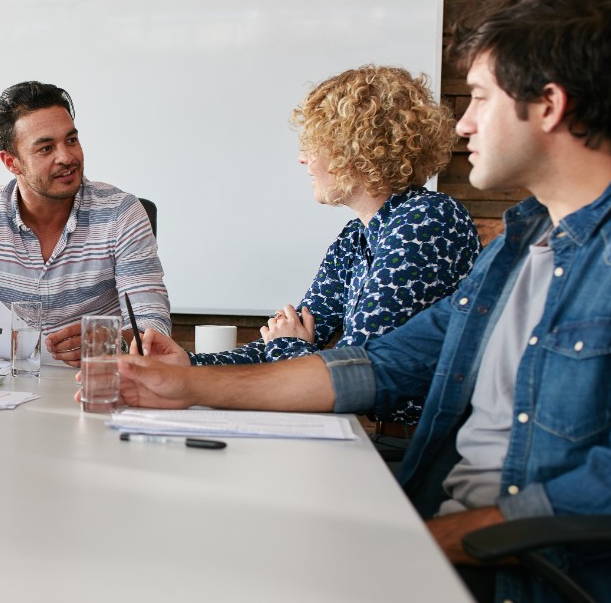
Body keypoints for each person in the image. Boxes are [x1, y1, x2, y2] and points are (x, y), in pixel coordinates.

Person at [114, 0, 611, 602]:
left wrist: (421, 541)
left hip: (524, 573)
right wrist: (188, 379)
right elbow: (382, 364)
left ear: (548, 106)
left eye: (479, 98)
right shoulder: (517, 248)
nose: (462, 123)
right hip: (449, 525)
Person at [195, 65, 480, 428]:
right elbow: (296, 336)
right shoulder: (355, 236)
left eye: (313, 146)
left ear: (356, 149)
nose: (303, 159)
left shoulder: (427, 220)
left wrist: (287, 346)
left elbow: (355, 374)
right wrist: (187, 366)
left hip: (420, 446)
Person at [0, 80, 170, 366]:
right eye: (45, 149)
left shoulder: (121, 212)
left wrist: (109, 341)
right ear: (11, 162)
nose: (66, 157)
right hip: (2, 386)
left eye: (71, 140)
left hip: (94, 383)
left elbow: (152, 326)